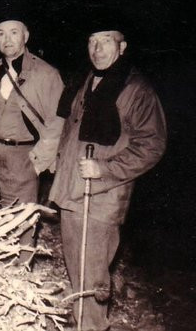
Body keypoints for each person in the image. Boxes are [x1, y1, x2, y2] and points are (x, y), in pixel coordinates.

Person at [49, 22, 166, 330]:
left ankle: (93, 327)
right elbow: (70, 130)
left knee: (92, 277)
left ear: (122, 47)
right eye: (92, 41)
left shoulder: (136, 89)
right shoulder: (87, 80)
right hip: (72, 191)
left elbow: (152, 146)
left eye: (105, 41)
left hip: (101, 197)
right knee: (77, 272)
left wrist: (105, 168)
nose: (97, 49)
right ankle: (81, 323)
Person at [0, 18, 65, 264]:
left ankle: (20, 271)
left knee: (21, 218)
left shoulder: (46, 74)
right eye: (1, 33)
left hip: (23, 154)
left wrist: (40, 158)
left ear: (26, 36)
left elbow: (58, 121)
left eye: (14, 32)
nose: (7, 39)